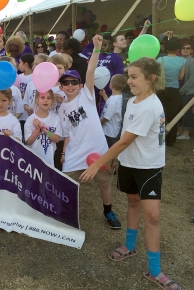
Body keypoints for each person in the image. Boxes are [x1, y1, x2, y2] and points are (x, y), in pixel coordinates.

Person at [80, 57, 181, 290]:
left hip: (149, 168)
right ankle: (129, 246)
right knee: (132, 203)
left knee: (153, 216)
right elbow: (126, 136)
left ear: (151, 79)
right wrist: (117, 161)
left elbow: (124, 141)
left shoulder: (150, 107)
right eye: (129, 76)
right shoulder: (134, 101)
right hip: (129, 164)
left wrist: (97, 164)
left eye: (134, 77)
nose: (129, 81)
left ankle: (155, 270)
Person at [58, 34, 121, 229]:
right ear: (61, 86)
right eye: (66, 83)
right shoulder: (62, 109)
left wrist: (96, 49)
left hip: (97, 150)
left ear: (79, 85)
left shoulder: (87, 94)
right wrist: (63, 152)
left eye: (73, 83)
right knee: (66, 183)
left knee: (104, 184)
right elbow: (67, 133)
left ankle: (108, 211)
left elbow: (91, 70)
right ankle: (66, 213)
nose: (70, 86)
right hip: (75, 151)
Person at [156, 38, 186, 147]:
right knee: (173, 115)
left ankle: (159, 138)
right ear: (177, 48)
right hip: (174, 89)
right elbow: (181, 76)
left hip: (161, 89)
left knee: (160, 114)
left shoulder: (160, 59)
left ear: (166, 48)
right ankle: (171, 140)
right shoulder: (182, 60)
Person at [24, 90, 62, 167]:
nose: (45, 100)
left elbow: (57, 139)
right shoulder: (30, 119)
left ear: (52, 101)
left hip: (49, 162)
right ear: (37, 100)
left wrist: (46, 131)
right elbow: (28, 142)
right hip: (33, 161)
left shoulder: (56, 118)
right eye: (42, 97)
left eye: (49, 98)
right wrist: (37, 130)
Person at [96, 35, 124, 114]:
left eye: (105, 45)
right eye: (101, 45)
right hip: (95, 92)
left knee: (108, 115)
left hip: (110, 92)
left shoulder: (116, 58)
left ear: (111, 45)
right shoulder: (95, 56)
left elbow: (119, 75)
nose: (103, 47)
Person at [100, 74, 127, 148]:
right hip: (114, 130)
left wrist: (98, 123)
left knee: (108, 149)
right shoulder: (119, 97)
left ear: (111, 85)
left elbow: (107, 117)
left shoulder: (113, 100)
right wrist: (104, 95)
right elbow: (110, 105)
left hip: (109, 131)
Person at [177, 41, 194, 140]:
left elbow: (192, 78)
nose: (185, 50)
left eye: (188, 48)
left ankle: (186, 133)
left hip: (188, 91)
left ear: (191, 51)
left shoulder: (192, 61)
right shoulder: (179, 60)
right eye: (183, 48)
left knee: (186, 111)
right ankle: (179, 131)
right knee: (178, 110)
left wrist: (183, 90)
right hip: (178, 89)